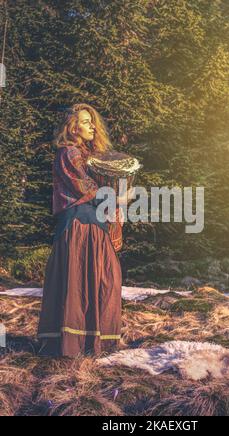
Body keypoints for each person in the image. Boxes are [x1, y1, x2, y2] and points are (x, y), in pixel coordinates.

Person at [37, 103, 130, 358]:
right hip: (79, 225)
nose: (92, 125)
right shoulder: (68, 153)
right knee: (80, 281)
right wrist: (117, 199)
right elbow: (84, 187)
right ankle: (73, 345)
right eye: (86, 121)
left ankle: (97, 344)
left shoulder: (92, 157)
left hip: (95, 225)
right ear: (73, 126)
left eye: (92, 121)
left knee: (106, 280)